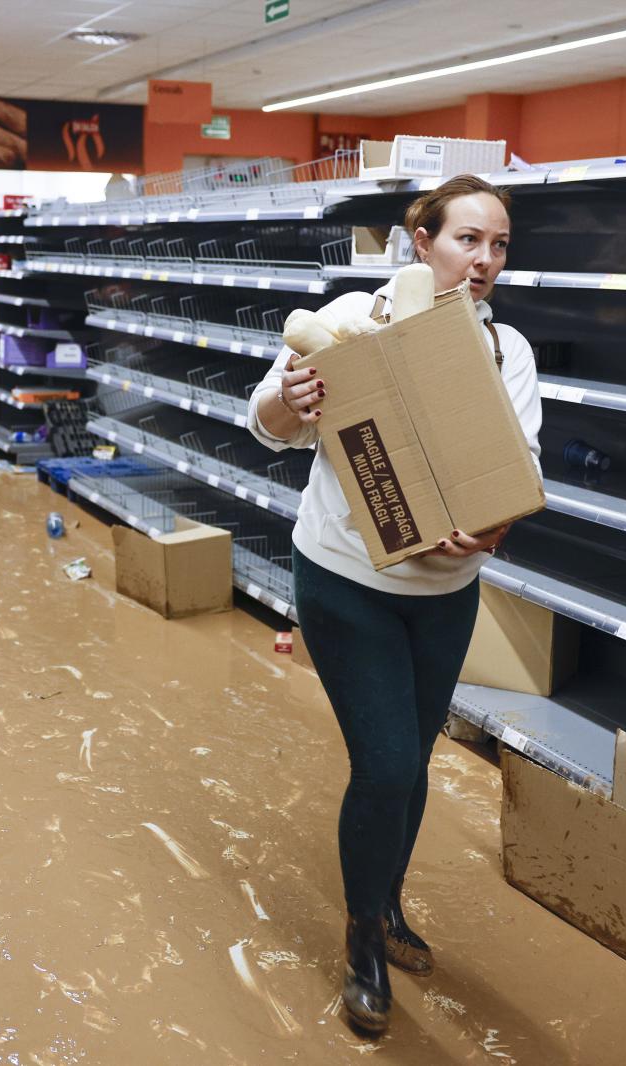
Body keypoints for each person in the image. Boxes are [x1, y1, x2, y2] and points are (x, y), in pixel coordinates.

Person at [246, 175, 542, 1036]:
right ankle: (364, 936)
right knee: (385, 766)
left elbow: (516, 468)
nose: (484, 259)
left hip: (444, 594)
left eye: (498, 245)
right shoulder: (348, 320)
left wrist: (489, 531)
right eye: (467, 240)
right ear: (422, 240)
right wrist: (289, 399)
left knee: (411, 762)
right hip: (346, 581)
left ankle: (389, 895)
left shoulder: (503, 350)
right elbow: (265, 422)